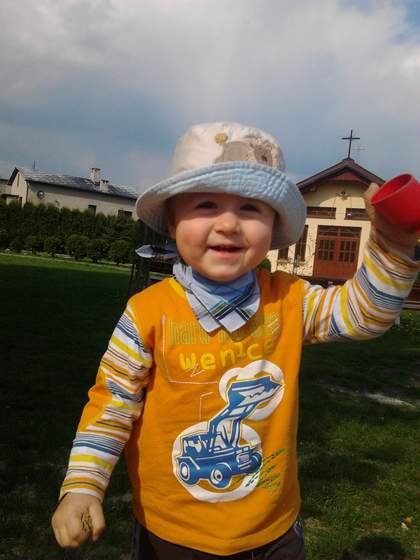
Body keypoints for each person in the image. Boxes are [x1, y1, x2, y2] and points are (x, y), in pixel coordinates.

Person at [52, 122, 419, 559]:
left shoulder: (289, 300)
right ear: (173, 221)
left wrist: (394, 247)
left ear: (273, 225)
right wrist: (83, 485)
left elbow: (365, 315)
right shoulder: (147, 313)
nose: (228, 224)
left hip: (273, 530)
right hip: (171, 533)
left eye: (250, 208)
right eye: (206, 204)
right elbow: (112, 405)